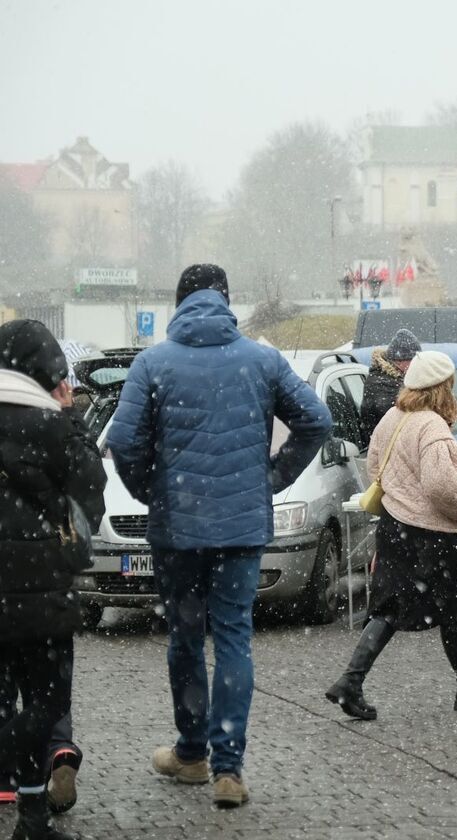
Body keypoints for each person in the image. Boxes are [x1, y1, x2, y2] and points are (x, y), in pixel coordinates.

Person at [106, 265, 332, 807]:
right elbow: (317, 421)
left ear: (179, 302)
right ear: (226, 302)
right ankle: (229, 770)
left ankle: (191, 754)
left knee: (186, 638)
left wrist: (151, 492)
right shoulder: (262, 359)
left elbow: (123, 441)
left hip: (177, 529)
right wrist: (271, 478)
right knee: (234, 637)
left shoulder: (152, 362)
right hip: (240, 526)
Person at [326, 351, 457, 718]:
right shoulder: (432, 427)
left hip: (394, 527)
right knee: (452, 610)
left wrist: (401, 492)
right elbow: (441, 486)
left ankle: (351, 681)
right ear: (442, 387)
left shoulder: (394, 417)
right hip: (429, 535)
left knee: (389, 607)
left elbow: (375, 464)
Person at [0, 320, 105, 840]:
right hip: (41, 595)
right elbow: (91, 488)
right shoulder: (53, 426)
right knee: (45, 705)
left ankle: (31, 812)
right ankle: (32, 819)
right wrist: (72, 418)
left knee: (7, 700)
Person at [360, 328, 420, 443]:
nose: (416, 364)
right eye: (413, 360)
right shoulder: (380, 382)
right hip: (385, 446)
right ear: (400, 361)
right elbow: (400, 412)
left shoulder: (399, 379)